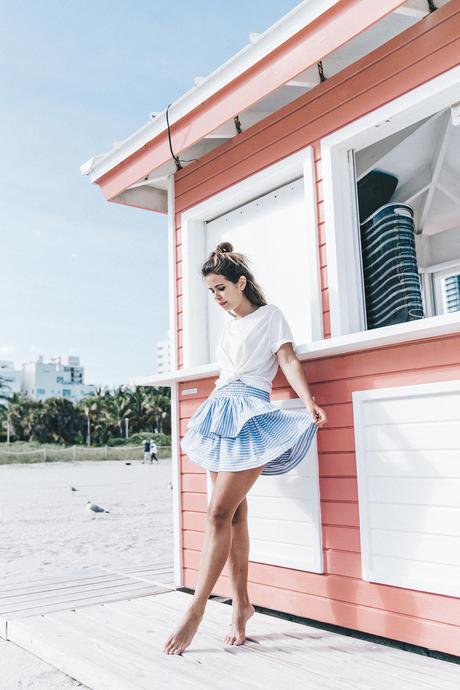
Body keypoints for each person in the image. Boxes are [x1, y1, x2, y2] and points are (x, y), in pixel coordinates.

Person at [162, 241, 327, 655]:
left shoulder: (270, 316)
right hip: (220, 410)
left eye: (221, 288)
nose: (216, 297)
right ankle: (241, 606)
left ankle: (196, 609)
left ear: (240, 282)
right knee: (233, 516)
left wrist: (307, 400)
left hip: (251, 411)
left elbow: (286, 359)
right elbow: (227, 371)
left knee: (218, 512)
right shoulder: (229, 325)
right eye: (211, 291)